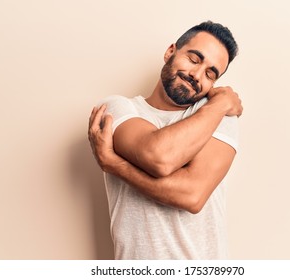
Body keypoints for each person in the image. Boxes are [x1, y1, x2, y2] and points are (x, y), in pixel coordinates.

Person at [88, 21, 243, 259]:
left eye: (210, 74)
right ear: (171, 51)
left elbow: (191, 196)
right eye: (194, 59)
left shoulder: (219, 115)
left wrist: (115, 165)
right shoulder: (117, 108)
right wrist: (221, 103)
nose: (196, 75)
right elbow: (159, 157)